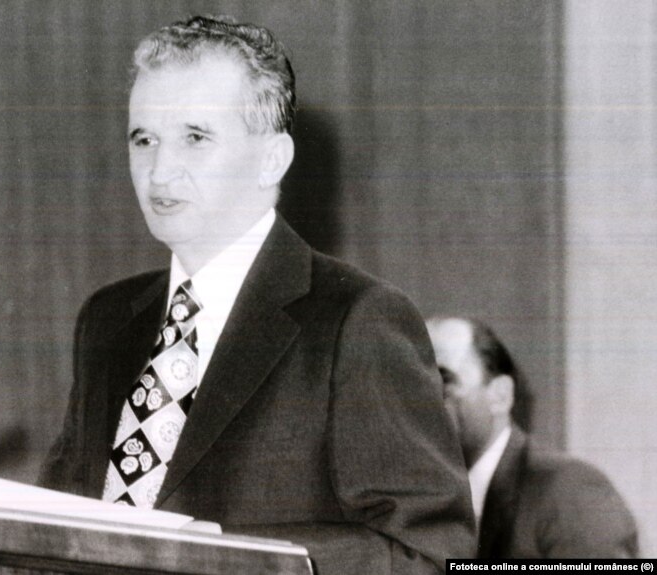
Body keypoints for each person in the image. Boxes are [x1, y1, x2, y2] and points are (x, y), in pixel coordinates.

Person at [41, 15, 475, 573]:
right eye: (144, 139)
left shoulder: (357, 322)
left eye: (195, 137)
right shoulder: (107, 320)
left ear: (272, 159)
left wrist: (235, 559)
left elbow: (430, 555)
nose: (160, 171)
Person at [426, 316, 639, 558]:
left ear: (500, 395)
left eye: (443, 380)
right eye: (412, 386)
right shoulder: (417, 497)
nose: (420, 402)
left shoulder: (568, 491)